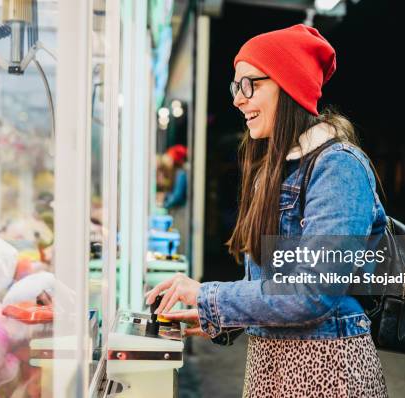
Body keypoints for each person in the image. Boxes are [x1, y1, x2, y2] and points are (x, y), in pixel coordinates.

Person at [146, 24, 388, 397]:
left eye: (249, 85)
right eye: (235, 87)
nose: (237, 100)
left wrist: (208, 296)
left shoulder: (338, 166)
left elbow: (312, 292)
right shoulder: (273, 168)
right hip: (271, 367)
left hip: (327, 371)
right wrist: (217, 318)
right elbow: (271, 285)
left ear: (288, 84)